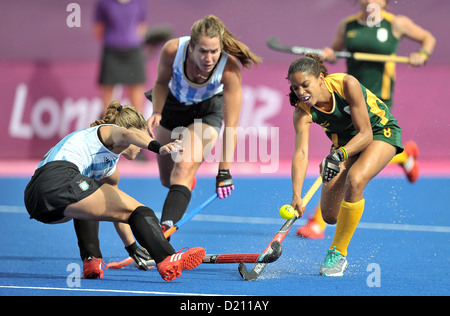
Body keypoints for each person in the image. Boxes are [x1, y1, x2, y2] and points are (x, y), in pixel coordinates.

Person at [297, 0, 436, 239]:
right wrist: (329, 54)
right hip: (349, 97)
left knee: (358, 167)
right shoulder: (347, 25)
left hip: (376, 101)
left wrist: (421, 54)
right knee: (356, 154)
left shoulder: (397, 24)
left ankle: (318, 222)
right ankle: (405, 155)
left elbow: (428, 39)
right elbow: (333, 52)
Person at [24, 101, 205, 282]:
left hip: (36, 201)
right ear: (135, 131)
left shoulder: (108, 166)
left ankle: (91, 260)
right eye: (144, 135)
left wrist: (133, 248)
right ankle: (167, 258)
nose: (142, 144)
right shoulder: (108, 131)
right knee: (142, 211)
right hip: (58, 179)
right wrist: (159, 147)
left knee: (94, 202)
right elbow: (128, 134)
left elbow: (119, 211)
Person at [287, 54, 403, 276]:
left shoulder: (346, 84)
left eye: (305, 84)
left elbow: (366, 133)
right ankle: (346, 219)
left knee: (356, 180)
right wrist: (296, 195)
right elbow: (301, 153)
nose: (300, 92)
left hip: (380, 131)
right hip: (345, 145)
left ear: (320, 78)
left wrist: (338, 156)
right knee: (330, 215)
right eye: (295, 88)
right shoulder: (302, 112)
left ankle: (337, 254)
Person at [145, 15, 261, 233]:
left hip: (206, 113)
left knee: (183, 166)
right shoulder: (172, 50)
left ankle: (163, 233)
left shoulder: (229, 69)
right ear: (191, 47)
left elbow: (232, 126)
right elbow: (160, 82)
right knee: (168, 180)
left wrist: (224, 171)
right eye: (203, 51)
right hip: (173, 107)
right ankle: (185, 182)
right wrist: (157, 111)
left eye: (214, 51)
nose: (209, 58)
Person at [94, 0, 148, 114]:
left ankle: (137, 131)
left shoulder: (139, 2)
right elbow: (99, 29)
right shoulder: (104, 2)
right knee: (107, 108)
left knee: (138, 107)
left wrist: (130, 40)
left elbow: (142, 26)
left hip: (133, 54)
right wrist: (116, 40)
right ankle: (107, 130)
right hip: (112, 54)